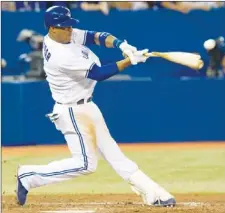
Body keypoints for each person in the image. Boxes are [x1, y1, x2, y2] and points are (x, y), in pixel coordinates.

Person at [16, 6, 176, 207]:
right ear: (51, 28)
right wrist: (129, 61)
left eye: (69, 26)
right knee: (85, 164)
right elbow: (98, 74)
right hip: (72, 111)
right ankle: (28, 176)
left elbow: (96, 36)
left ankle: (154, 194)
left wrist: (121, 45)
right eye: (63, 28)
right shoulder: (59, 54)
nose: (69, 31)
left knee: (115, 154)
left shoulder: (65, 36)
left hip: (86, 106)